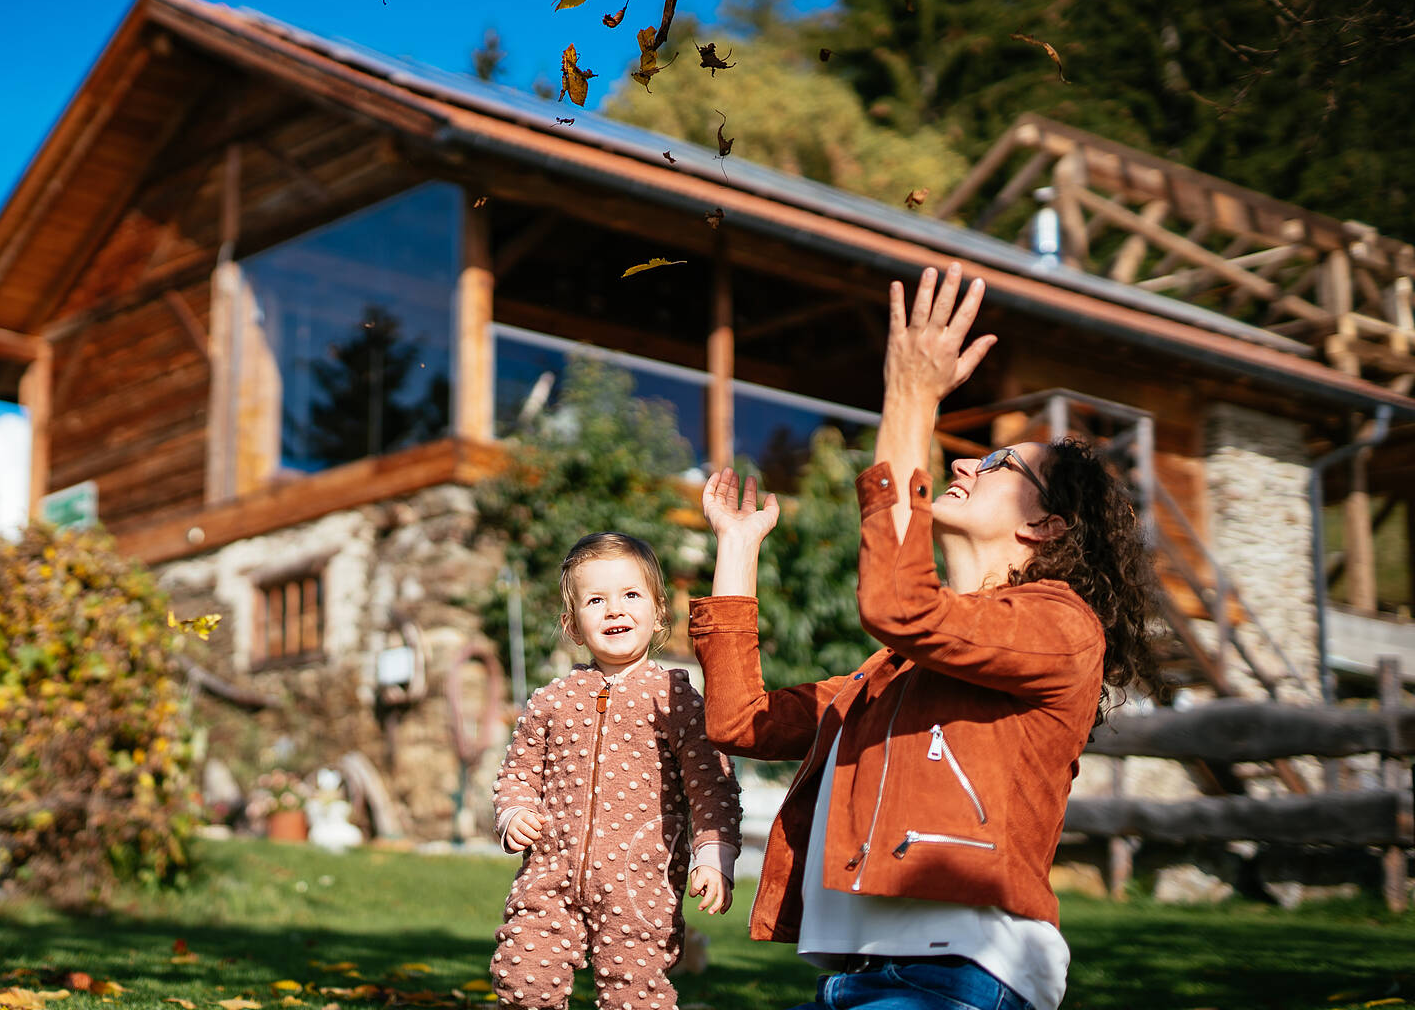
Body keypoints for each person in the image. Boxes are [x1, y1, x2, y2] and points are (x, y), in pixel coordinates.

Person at [689, 264, 1159, 1010]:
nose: (968, 460)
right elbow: (739, 720)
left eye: (1001, 463)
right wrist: (738, 547)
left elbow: (899, 601)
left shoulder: (1062, 626)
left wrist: (910, 394)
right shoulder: (895, 671)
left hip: (961, 971)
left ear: (1043, 527)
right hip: (862, 975)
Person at [491, 531, 744, 1010]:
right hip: (549, 872)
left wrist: (714, 854)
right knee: (522, 979)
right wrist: (515, 811)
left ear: (658, 611)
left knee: (635, 993)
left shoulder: (676, 700)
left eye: (630, 595)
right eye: (596, 600)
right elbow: (517, 771)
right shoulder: (552, 700)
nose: (614, 610)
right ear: (571, 623)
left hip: (639, 883)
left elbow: (712, 785)